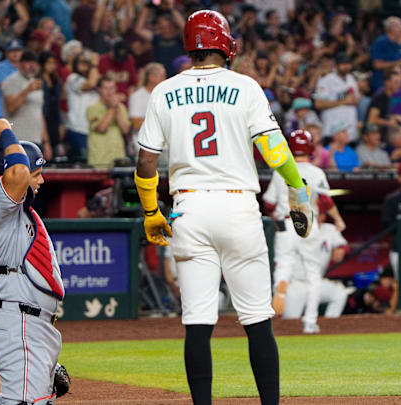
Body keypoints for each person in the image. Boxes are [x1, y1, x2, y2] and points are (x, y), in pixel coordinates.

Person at [134, 10, 313, 405]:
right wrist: (297, 188)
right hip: (237, 208)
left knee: (197, 323)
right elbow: (272, 149)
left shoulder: (163, 91)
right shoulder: (245, 86)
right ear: (226, 45)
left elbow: (146, 162)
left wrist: (151, 212)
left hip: (189, 208)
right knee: (256, 321)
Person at [0, 120, 69, 405]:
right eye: (38, 172)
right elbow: (18, 172)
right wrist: (5, 131)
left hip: (33, 325)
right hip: (19, 320)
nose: (41, 179)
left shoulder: (17, 211)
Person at [264, 129, 345, 334]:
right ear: (310, 149)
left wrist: (277, 215)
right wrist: (338, 219)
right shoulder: (317, 172)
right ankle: (310, 322)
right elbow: (326, 200)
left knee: (283, 267)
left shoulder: (280, 170)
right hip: (308, 224)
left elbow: (269, 203)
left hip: (285, 223)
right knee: (313, 274)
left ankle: (279, 303)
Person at [276, 195, 349, 326]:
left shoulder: (329, 229)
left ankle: (329, 325)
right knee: (290, 322)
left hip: (316, 283)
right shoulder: (294, 229)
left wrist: (341, 249)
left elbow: (343, 244)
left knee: (340, 293)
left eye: (319, 214)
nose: (318, 216)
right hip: (296, 284)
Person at [2, 50, 52, 160]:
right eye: (28, 62)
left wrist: (46, 142)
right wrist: (27, 90)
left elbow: (39, 114)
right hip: (17, 140)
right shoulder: (12, 81)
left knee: (35, 176)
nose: (32, 65)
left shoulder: (37, 82)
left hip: (35, 140)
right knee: (19, 175)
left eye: (34, 62)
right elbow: (10, 108)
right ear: (20, 64)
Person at [313, 52, 360, 141]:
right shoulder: (326, 80)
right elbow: (318, 104)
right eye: (343, 64)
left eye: (348, 64)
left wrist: (354, 101)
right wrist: (343, 101)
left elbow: (356, 100)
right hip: (332, 129)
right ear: (336, 65)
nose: (346, 66)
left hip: (350, 130)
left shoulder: (351, 79)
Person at [64, 51, 100, 163]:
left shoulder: (95, 79)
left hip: (92, 130)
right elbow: (90, 84)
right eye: (81, 61)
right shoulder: (72, 78)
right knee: (80, 164)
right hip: (77, 129)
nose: (84, 64)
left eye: (87, 62)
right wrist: (94, 64)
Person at [86, 77, 129, 168]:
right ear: (99, 89)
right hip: (99, 159)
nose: (109, 92)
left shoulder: (121, 107)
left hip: (118, 157)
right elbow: (101, 128)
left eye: (112, 88)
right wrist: (112, 108)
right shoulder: (92, 108)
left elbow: (125, 130)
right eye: (106, 88)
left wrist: (117, 110)